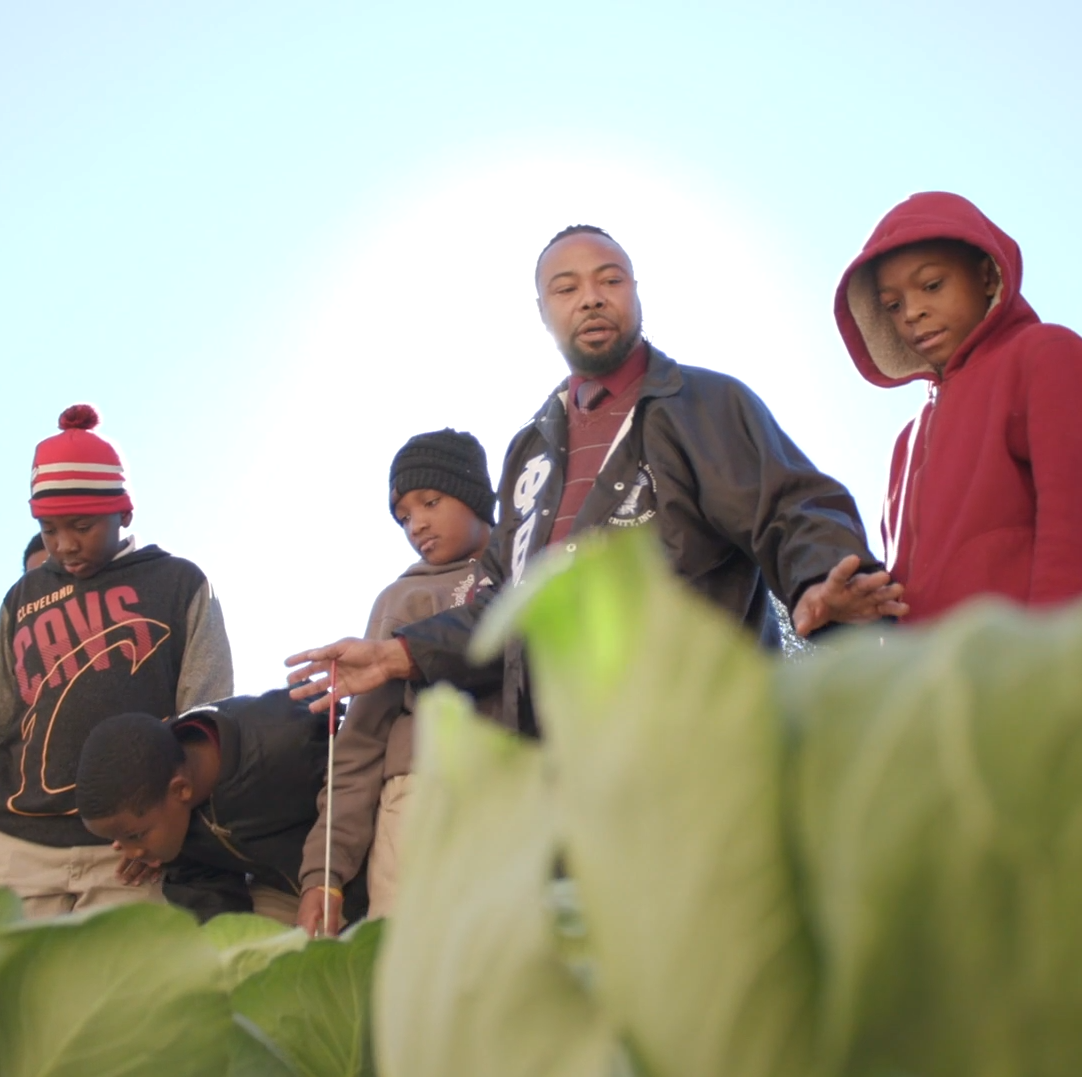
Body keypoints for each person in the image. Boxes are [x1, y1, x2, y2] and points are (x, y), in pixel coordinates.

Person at [287, 225, 906, 736]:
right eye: (566, 287)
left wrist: (826, 580)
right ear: (542, 311)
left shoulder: (703, 403)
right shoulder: (528, 452)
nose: (591, 297)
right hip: (558, 762)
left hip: (692, 742)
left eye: (610, 279)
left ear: (636, 293)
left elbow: (790, 507)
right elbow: (505, 607)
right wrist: (398, 654)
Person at [0, 404, 233, 917]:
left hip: (126, 850)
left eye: (81, 526)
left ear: (123, 513)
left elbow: (207, 712)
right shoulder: (21, 598)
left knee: (111, 993)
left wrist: (172, 831)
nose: (64, 545)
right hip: (20, 845)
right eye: (48, 530)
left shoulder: (179, 582)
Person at [835, 191, 1082, 622]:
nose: (912, 312)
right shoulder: (905, 442)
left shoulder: (1045, 354)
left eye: (932, 285)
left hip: (1031, 668)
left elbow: (1073, 513)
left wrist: (1053, 656)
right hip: (937, 682)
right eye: (893, 305)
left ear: (987, 276)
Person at [296, 428, 501, 935]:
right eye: (404, 516)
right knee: (416, 976)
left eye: (430, 501)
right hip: (418, 803)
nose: (417, 525)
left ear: (477, 496)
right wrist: (325, 871)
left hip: (520, 794)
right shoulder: (399, 601)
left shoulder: (534, 569)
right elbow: (359, 744)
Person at [75, 689, 365, 924]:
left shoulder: (286, 741)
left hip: (367, 872)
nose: (131, 854)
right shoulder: (170, 813)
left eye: (135, 836)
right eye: (119, 841)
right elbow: (205, 890)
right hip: (291, 893)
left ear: (181, 789)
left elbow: (359, 775)